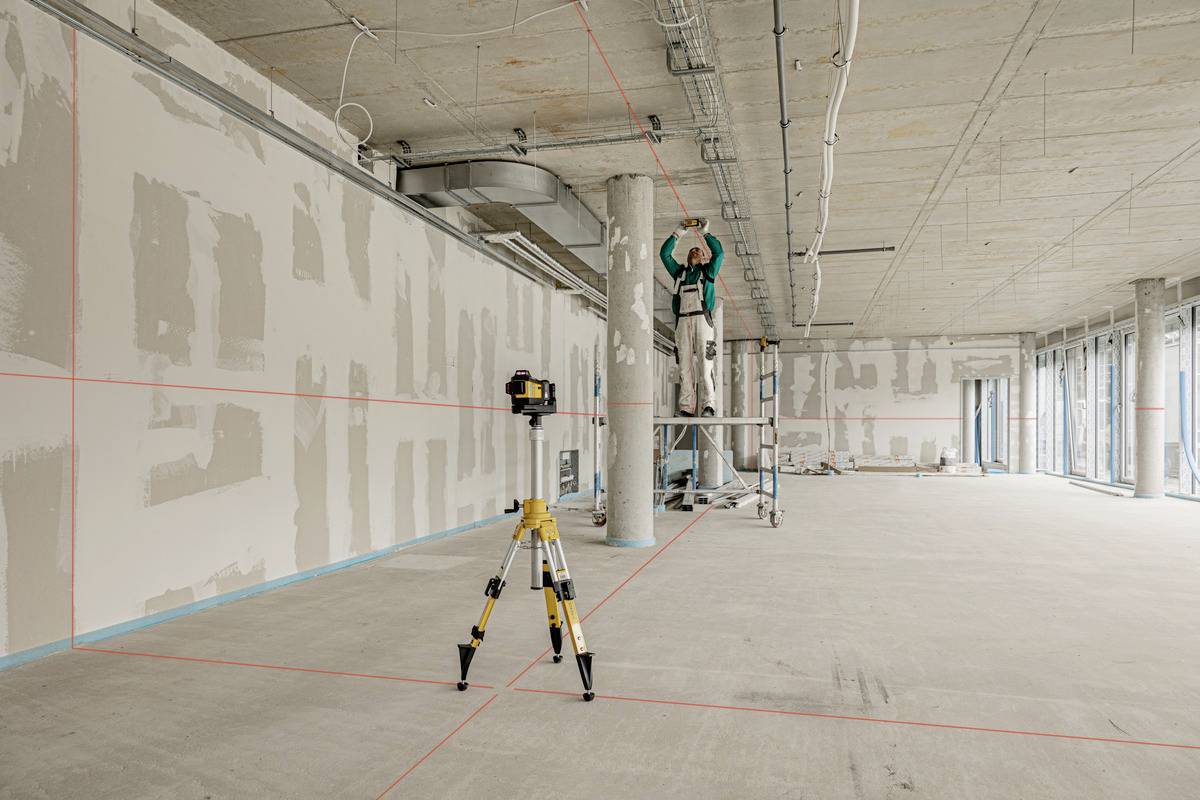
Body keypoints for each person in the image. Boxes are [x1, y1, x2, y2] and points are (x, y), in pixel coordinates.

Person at [659, 219, 723, 417]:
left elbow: (719, 253)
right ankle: (687, 408)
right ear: (687, 257)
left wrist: (705, 234)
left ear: (703, 257)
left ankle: (709, 406)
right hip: (682, 322)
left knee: (706, 366)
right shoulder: (679, 273)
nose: (695, 252)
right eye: (692, 251)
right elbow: (664, 254)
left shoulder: (708, 272)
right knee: (684, 367)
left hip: (704, 322)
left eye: (699, 251)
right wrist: (678, 232)